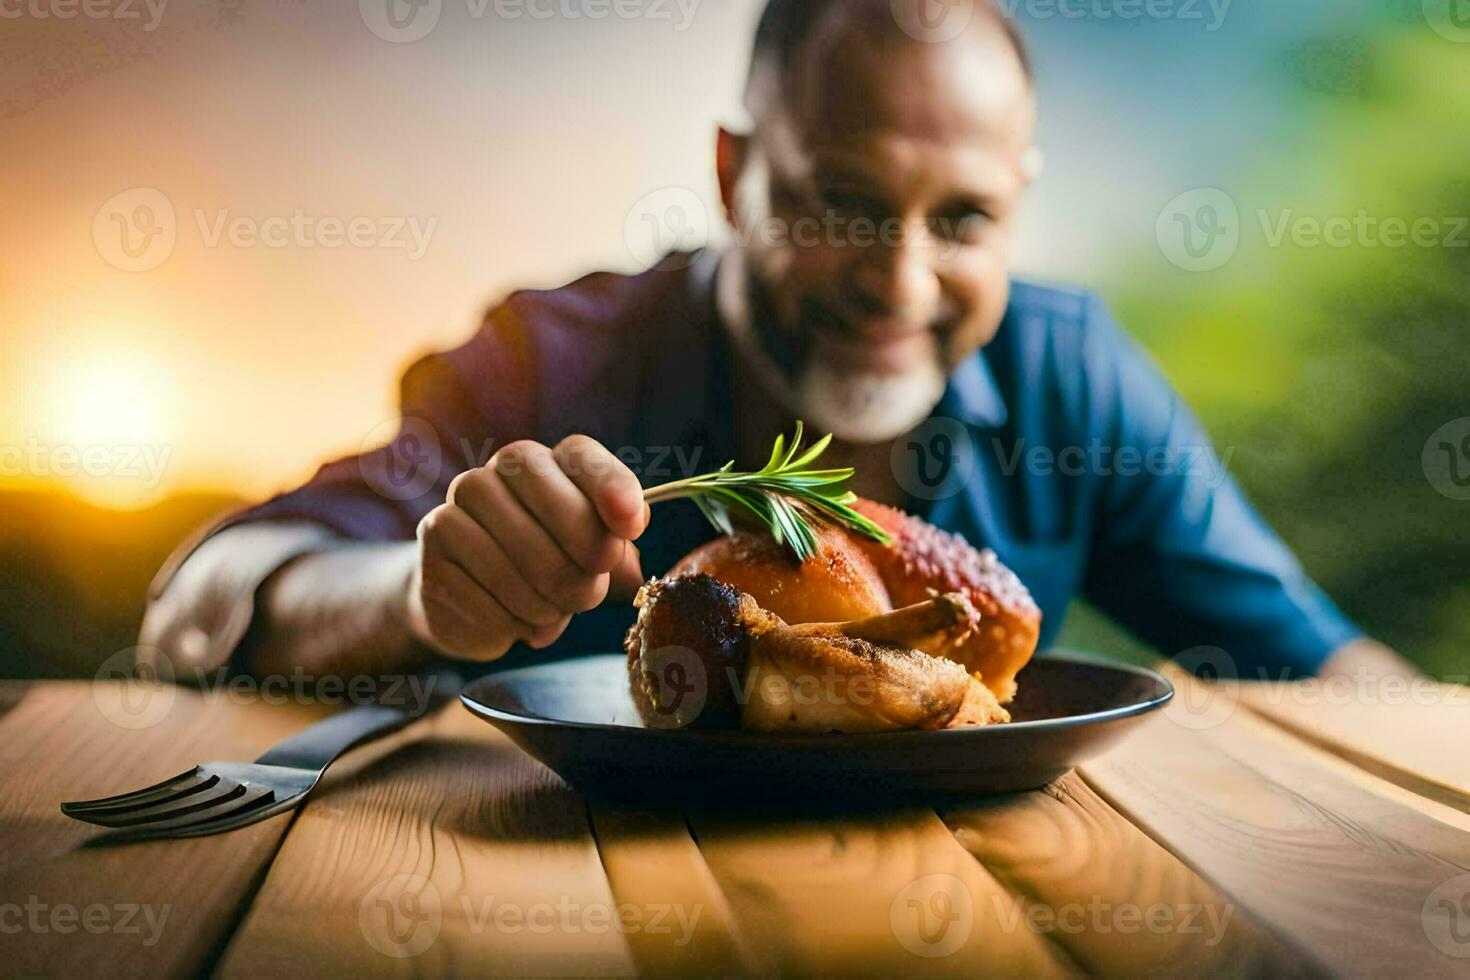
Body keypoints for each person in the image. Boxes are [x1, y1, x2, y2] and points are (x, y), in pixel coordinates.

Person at [139, 0, 1414, 685]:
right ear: (733, 172)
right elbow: (196, 605)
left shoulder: (1070, 377)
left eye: (961, 218)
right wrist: (420, 597)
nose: (900, 279)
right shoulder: (554, 361)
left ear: (1016, 205)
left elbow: (1321, 662)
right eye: (843, 202)